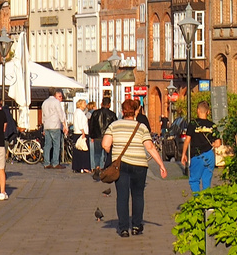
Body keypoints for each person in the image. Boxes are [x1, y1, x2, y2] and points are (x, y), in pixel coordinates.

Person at [101, 97, 167, 238]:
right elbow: (150, 147)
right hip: (139, 166)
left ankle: (124, 228)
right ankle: (136, 226)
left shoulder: (114, 125)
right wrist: (161, 165)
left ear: (123, 111)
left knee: (122, 197)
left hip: (121, 165)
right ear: (135, 112)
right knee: (138, 196)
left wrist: (114, 152)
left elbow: (105, 145)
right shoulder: (141, 127)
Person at [180, 101, 221, 193]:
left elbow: (187, 140)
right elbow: (218, 143)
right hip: (209, 155)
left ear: (198, 110)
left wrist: (184, 154)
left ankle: (198, 201)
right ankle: (207, 204)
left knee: (194, 180)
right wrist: (212, 144)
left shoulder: (193, 124)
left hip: (197, 155)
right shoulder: (212, 125)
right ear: (208, 112)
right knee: (206, 181)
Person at [88, 95, 116, 178]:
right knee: (107, 155)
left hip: (97, 136)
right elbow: (115, 126)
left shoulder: (95, 113)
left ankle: (97, 167)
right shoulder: (112, 114)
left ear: (101, 103)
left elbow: (91, 125)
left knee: (97, 154)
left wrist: (92, 135)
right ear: (109, 104)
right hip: (108, 137)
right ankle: (106, 169)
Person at [42, 88, 68, 169]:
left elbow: (43, 116)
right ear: (54, 94)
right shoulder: (56, 102)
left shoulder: (45, 102)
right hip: (55, 125)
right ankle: (55, 162)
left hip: (47, 126)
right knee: (56, 144)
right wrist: (64, 125)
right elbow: (60, 114)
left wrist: (43, 127)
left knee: (47, 145)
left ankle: (46, 162)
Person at [71, 98, 91, 173]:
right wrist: (82, 131)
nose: (85, 105)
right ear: (80, 104)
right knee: (84, 150)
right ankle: (84, 166)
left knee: (78, 151)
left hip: (78, 132)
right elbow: (79, 122)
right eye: (84, 103)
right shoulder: (79, 112)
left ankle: (77, 167)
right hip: (81, 133)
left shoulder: (79, 112)